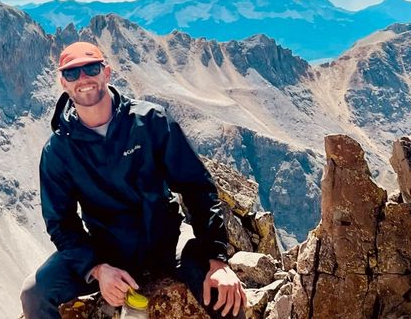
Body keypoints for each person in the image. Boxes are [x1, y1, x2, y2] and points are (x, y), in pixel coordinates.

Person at [20, 42, 246, 319]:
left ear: (106, 73)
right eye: (72, 73)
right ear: (63, 83)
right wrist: (96, 269)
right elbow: (61, 222)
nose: (83, 78)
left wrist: (217, 259)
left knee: (223, 291)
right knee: (34, 293)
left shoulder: (151, 122)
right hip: (106, 251)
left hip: (167, 242)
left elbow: (196, 187)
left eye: (91, 69)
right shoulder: (58, 151)